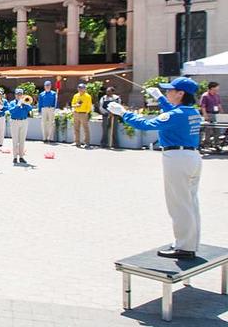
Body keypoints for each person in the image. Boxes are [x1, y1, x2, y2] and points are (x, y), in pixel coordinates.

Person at [110, 77, 202, 259]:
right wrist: (160, 98)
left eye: (170, 90)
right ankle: (191, 243)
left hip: (177, 158)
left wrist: (123, 113)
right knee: (190, 203)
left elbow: (145, 124)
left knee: (179, 204)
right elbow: (173, 113)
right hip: (191, 157)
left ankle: (184, 247)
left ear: (180, 94)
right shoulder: (191, 112)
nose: (168, 93)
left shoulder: (177, 114)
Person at [8, 89, 33, 164]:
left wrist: (25, 103)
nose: (19, 96)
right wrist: (17, 105)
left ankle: (21, 157)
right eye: (17, 94)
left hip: (24, 121)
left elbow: (30, 109)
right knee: (15, 140)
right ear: (15, 95)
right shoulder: (12, 103)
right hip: (14, 121)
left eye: (20, 94)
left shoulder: (25, 102)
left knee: (22, 140)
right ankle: (15, 157)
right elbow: (11, 111)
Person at [198, 82, 221, 146]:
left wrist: (222, 113)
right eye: (215, 89)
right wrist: (205, 115)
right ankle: (206, 143)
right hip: (208, 114)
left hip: (216, 114)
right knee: (208, 130)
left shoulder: (217, 95)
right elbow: (203, 106)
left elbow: (219, 105)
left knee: (217, 130)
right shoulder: (205, 96)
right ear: (211, 88)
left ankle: (216, 144)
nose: (217, 90)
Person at [71, 83, 93, 147]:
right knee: (76, 128)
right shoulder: (76, 95)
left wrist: (86, 112)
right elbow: (72, 104)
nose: (80, 89)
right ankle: (77, 142)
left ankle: (87, 143)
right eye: (79, 88)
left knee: (85, 129)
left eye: (82, 88)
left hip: (83, 113)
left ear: (85, 89)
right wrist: (76, 105)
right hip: (76, 113)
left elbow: (89, 106)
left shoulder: (88, 96)